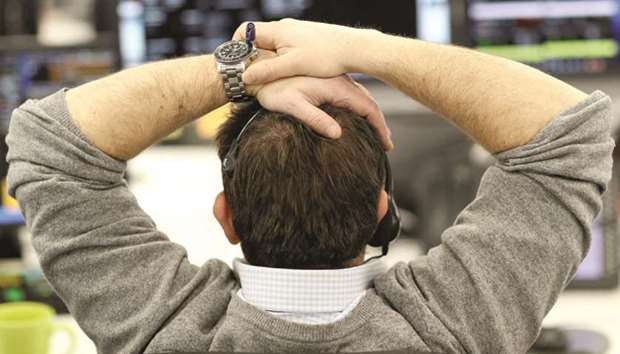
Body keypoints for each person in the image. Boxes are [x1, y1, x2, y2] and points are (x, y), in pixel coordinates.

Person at [6, 19, 613, 354]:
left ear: (226, 216)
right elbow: (574, 131)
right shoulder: (453, 326)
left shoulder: (167, 328)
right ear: (383, 212)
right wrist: (364, 48)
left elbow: (45, 141)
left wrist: (241, 70)